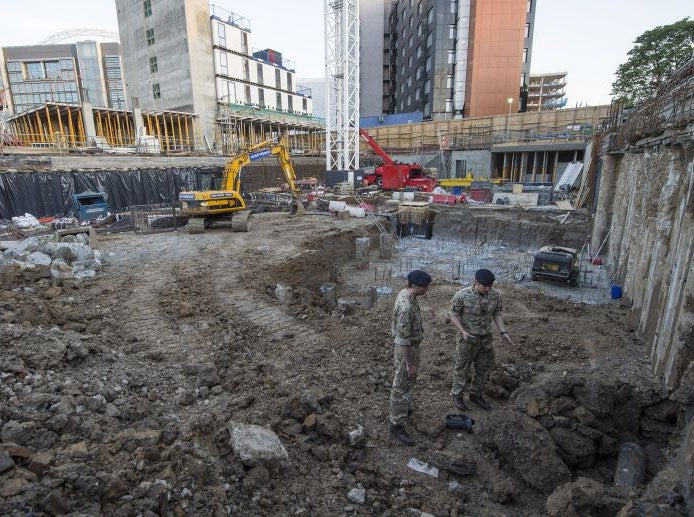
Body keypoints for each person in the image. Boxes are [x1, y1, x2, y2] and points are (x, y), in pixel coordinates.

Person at [449, 268, 514, 411]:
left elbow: (497, 314)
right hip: (467, 339)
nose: (487, 288)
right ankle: (457, 395)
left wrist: (503, 332)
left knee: (483, 368)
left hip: (485, 339)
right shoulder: (462, 295)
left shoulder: (495, 296)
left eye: (490, 286)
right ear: (476, 282)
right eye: (485, 286)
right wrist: (463, 331)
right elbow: (453, 315)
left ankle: (475, 394)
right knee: (462, 368)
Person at [389, 269, 432, 445]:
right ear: (413, 286)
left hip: (410, 347)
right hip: (406, 350)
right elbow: (402, 340)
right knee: (401, 385)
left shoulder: (406, 293)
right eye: (423, 288)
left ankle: (403, 409)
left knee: (405, 384)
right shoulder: (406, 308)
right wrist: (409, 363)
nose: (426, 291)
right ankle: (396, 425)